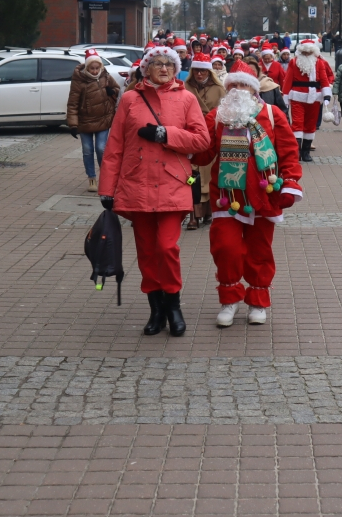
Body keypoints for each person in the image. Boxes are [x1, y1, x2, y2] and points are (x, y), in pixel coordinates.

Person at [98, 46, 210, 337]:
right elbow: (115, 147)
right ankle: (156, 308)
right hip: (137, 186)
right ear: (145, 69)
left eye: (169, 65)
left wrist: (165, 135)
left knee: (166, 247)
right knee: (146, 251)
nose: (163, 68)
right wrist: (107, 189)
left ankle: (174, 304)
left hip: (173, 184)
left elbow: (202, 141)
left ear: (176, 70)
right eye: (157, 64)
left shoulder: (186, 99)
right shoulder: (131, 100)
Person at [191, 64, 303, 328]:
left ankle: (257, 301)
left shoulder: (272, 114)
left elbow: (288, 151)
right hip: (226, 197)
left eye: (243, 85)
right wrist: (184, 143)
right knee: (226, 249)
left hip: (265, 195)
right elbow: (204, 153)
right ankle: (229, 300)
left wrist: (290, 183)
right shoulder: (218, 117)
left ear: (253, 90)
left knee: (259, 251)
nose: (237, 90)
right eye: (233, 86)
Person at [66, 49, 120, 192]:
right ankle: (91, 178)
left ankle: (106, 177)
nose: (95, 71)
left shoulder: (105, 76)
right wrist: (73, 124)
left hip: (103, 119)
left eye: (97, 68)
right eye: (92, 68)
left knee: (101, 148)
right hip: (85, 120)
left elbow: (116, 88)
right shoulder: (79, 79)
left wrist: (112, 91)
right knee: (88, 150)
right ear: (86, 67)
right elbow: (73, 102)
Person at [185, 54, 226, 230]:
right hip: (191, 133)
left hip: (210, 134)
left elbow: (223, 112)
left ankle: (209, 211)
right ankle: (193, 215)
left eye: (202, 71)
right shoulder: (185, 87)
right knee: (191, 175)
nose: (199, 74)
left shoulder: (219, 89)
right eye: (196, 71)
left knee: (209, 174)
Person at [282, 39, 332, 162]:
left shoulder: (320, 63)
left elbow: (324, 80)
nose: (306, 55)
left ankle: (306, 152)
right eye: (304, 53)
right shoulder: (294, 63)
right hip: (297, 97)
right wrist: (285, 96)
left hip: (315, 97)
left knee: (311, 124)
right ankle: (296, 152)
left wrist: (326, 95)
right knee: (297, 123)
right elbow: (288, 80)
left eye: (309, 53)